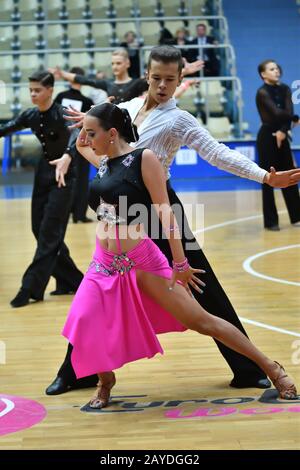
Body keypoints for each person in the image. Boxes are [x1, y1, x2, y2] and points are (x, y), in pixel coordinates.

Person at [46, 46, 300, 396]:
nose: (162, 85)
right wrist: (68, 153)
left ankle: (247, 368)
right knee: (96, 292)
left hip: (161, 205)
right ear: (147, 76)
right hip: (120, 209)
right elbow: (91, 140)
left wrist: (264, 177)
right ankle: (77, 371)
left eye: (170, 79)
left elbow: (217, 153)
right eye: (156, 78)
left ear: (180, 79)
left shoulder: (180, 119)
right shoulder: (127, 108)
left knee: (203, 286)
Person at [0, 71, 83, 307]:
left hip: (64, 176)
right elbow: (8, 127)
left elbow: (76, 132)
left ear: (50, 90)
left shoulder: (63, 112)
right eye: (31, 90)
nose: (33, 94)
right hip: (43, 174)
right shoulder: (31, 114)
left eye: (37, 90)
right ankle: (73, 281)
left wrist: (68, 156)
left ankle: (30, 288)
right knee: (41, 230)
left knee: (49, 233)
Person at [50, 48, 203, 105]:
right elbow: (83, 80)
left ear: (127, 63)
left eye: (118, 63)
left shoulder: (137, 84)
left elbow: (161, 78)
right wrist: (62, 74)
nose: (115, 67)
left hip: (134, 126)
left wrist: (184, 72)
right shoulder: (108, 84)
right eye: (113, 63)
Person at [256, 60, 300, 230]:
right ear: (263, 74)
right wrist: (293, 119)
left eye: (277, 68)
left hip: (282, 135)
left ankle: (297, 216)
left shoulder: (286, 89)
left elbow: (287, 111)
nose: (276, 71)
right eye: (271, 69)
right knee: (267, 178)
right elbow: (275, 114)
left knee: (290, 176)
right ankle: (271, 222)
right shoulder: (262, 92)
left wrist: (283, 130)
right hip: (267, 137)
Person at [55, 66, 94, 224]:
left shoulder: (60, 97)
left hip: (62, 145)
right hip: (81, 145)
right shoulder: (87, 102)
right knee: (82, 179)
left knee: (62, 177)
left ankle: (62, 213)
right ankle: (79, 214)